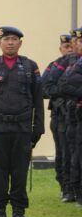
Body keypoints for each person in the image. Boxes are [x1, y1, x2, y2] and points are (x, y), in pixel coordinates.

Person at [0, 26, 44, 217]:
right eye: (6, 39)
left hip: (22, 129)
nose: (10, 42)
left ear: (20, 43)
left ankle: (18, 213)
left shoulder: (31, 67)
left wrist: (37, 129)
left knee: (19, 172)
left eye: (14, 39)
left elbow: (38, 101)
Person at [41, 33, 74, 201]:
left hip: (75, 114)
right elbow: (43, 88)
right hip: (60, 115)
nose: (69, 50)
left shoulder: (77, 64)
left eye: (71, 46)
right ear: (60, 49)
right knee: (63, 152)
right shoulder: (55, 66)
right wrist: (61, 94)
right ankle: (66, 187)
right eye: (66, 47)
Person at [55, 29, 82, 208]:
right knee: (70, 154)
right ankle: (71, 190)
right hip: (68, 115)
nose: (73, 46)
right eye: (74, 42)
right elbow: (59, 85)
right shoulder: (66, 63)